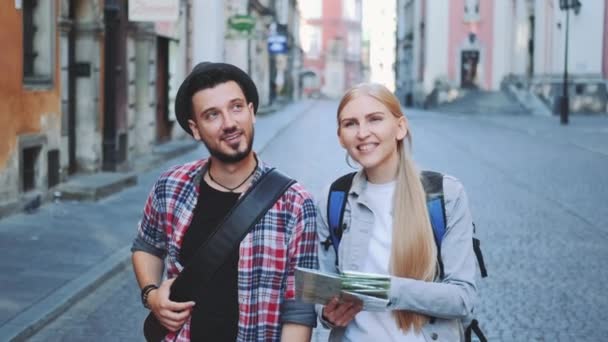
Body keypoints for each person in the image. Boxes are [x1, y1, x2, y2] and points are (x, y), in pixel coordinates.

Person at [131, 62, 318, 342]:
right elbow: (147, 245)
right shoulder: (171, 186)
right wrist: (151, 294)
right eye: (212, 115)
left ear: (252, 112)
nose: (229, 122)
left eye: (236, 107)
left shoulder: (295, 203)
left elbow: (300, 309)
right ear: (195, 129)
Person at [316, 83, 478, 341]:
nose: (362, 133)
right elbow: (322, 294)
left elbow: (462, 298)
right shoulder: (333, 198)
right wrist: (327, 314)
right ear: (340, 137)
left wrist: (382, 289)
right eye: (350, 124)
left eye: (375, 119)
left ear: (400, 127)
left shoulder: (445, 195)